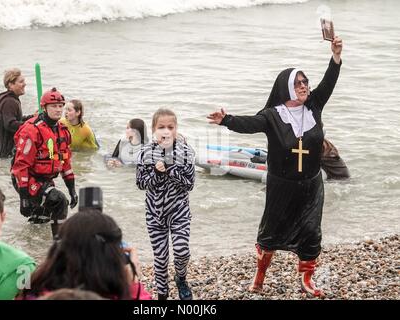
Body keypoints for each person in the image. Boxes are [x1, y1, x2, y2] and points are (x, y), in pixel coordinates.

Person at [207, 37, 343, 297]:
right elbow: (250, 124)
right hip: (282, 186)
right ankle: (260, 274)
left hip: (312, 185)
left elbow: (329, 82)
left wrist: (335, 56)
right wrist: (227, 120)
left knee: (311, 232)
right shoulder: (272, 115)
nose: (304, 86)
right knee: (271, 232)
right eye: (298, 83)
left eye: (305, 82)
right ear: (287, 88)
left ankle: (306, 280)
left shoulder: (314, 106)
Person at [18, 209, 151, 300]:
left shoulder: (34, 294)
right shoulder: (125, 295)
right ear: (114, 257)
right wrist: (133, 284)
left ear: (58, 253)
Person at [136, 108, 195, 300]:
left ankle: (181, 278)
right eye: (161, 127)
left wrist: (170, 169)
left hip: (179, 210)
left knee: (182, 251)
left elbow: (189, 184)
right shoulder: (145, 152)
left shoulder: (186, 151)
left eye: (170, 127)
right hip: (154, 213)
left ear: (176, 129)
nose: (166, 131)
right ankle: (162, 294)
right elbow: (141, 183)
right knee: (160, 258)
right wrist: (156, 172)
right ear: (154, 129)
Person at [11, 87, 78, 238]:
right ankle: (59, 245)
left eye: (61, 106)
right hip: (26, 178)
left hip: (45, 179)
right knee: (59, 201)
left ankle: (33, 248)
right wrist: (24, 198)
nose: (58, 109)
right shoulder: (31, 130)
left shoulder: (62, 130)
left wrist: (72, 190)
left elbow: (65, 162)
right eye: (54, 106)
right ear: (44, 107)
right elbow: (21, 166)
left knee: (42, 217)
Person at [0, 68, 32, 158]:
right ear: (10, 85)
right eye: (21, 81)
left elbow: (12, 119)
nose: (25, 84)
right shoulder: (9, 101)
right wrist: (32, 125)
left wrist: (32, 117)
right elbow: (10, 124)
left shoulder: (6, 98)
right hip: (2, 155)